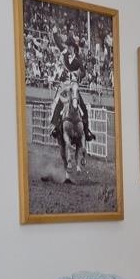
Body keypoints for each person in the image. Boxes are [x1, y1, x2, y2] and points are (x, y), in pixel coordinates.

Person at [47, 49, 88, 183]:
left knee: (83, 107)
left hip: (74, 90)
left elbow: (83, 74)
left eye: (72, 52)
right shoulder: (64, 64)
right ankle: (54, 126)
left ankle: (86, 130)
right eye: (69, 53)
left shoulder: (77, 65)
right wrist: (65, 83)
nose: (70, 55)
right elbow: (60, 79)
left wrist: (78, 75)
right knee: (59, 103)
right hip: (65, 89)